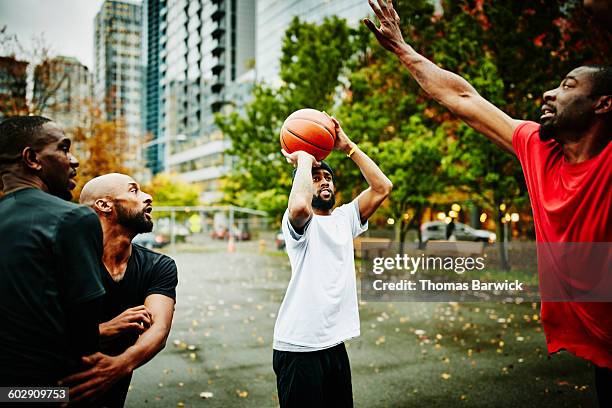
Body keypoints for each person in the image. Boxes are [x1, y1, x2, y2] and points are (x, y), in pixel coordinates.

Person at [365, 0, 611, 405]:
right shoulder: (539, 150)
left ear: (603, 104)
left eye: (568, 86)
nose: (550, 93)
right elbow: (462, 97)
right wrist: (403, 50)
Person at [274, 116, 393, 407]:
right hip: (299, 346)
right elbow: (300, 205)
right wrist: (305, 159)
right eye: (316, 178)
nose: (324, 181)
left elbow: (382, 187)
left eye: (327, 177)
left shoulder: (344, 219)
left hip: (333, 344)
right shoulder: (300, 224)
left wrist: (349, 147)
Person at [0, 116, 105, 386]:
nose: (74, 160)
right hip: (46, 391)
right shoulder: (73, 219)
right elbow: (85, 329)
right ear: (32, 159)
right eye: (64, 148)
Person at [60, 173, 178, 407]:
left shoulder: (159, 266)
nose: (148, 197)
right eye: (134, 190)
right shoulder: (62, 259)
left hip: (112, 393)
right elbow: (31, 336)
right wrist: (102, 331)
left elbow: (159, 329)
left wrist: (119, 366)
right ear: (104, 205)